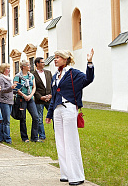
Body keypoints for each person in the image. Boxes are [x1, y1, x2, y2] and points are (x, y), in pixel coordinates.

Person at [45, 49, 94, 185]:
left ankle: (77, 176)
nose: (55, 59)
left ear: (65, 59)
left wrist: (89, 62)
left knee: (71, 141)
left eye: (58, 57)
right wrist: (49, 114)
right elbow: (54, 97)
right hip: (57, 110)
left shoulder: (74, 73)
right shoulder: (55, 76)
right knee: (60, 142)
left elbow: (88, 79)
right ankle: (65, 173)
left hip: (69, 108)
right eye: (54, 57)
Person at [14, 60, 42, 143]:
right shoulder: (18, 76)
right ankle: (24, 138)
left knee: (36, 117)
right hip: (21, 99)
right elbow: (16, 89)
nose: (29, 66)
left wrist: (30, 96)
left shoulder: (31, 76)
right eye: (28, 65)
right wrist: (24, 95)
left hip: (30, 99)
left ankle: (34, 137)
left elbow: (34, 87)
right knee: (23, 118)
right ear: (23, 67)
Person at [33, 57, 52, 141]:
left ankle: (58, 133)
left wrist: (50, 95)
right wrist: (40, 97)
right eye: (42, 62)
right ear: (37, 63)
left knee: (55, 116)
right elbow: (34, 88)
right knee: (39, 118)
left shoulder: (48, 73)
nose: (44, 64)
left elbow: (52, 85)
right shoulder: (32, 75)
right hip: (39, 99)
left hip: (49, 98)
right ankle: (42, 135)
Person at [0, 63, 17, 144]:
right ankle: (7, 138)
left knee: (4, 120)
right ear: (3, 69)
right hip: (4, 101)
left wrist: (15, 89)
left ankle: (2, 137)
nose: (9, 70)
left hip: (9, 101)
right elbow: (1, 90)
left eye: (9, 68)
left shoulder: (9, 79)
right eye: (7, 68)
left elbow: (9, 90)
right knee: (6, 121)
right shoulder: (1, 79)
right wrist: (11, 88)